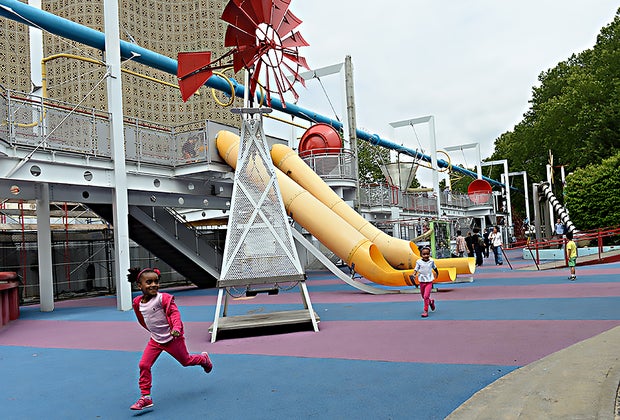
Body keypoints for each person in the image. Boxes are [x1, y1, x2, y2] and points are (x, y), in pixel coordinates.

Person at [127, 267, 213, 411]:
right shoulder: (137, 303)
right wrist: (153, 332)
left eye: (156, 282)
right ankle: (146, 397)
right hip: (156, 340)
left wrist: (176, 328)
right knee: (144, 365)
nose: (153, 285)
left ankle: (203, 359)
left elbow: (174, 314)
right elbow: (142, 319)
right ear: (139, 285)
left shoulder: (163, 299)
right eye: (149, 282)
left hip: (173, 338)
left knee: (186, 361)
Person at [413, 246, 439, 318]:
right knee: (423, 296)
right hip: (422, 281)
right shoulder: (418, 262)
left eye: (427, 254)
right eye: (424, 254)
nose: (426, 256)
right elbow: (416, 269)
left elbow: (435, 267)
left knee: (426, 296)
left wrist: (437, 273)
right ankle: (431, 302)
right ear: (421, 255)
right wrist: (414, 274)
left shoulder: (431, 261)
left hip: (429, 281)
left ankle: (425, 310)